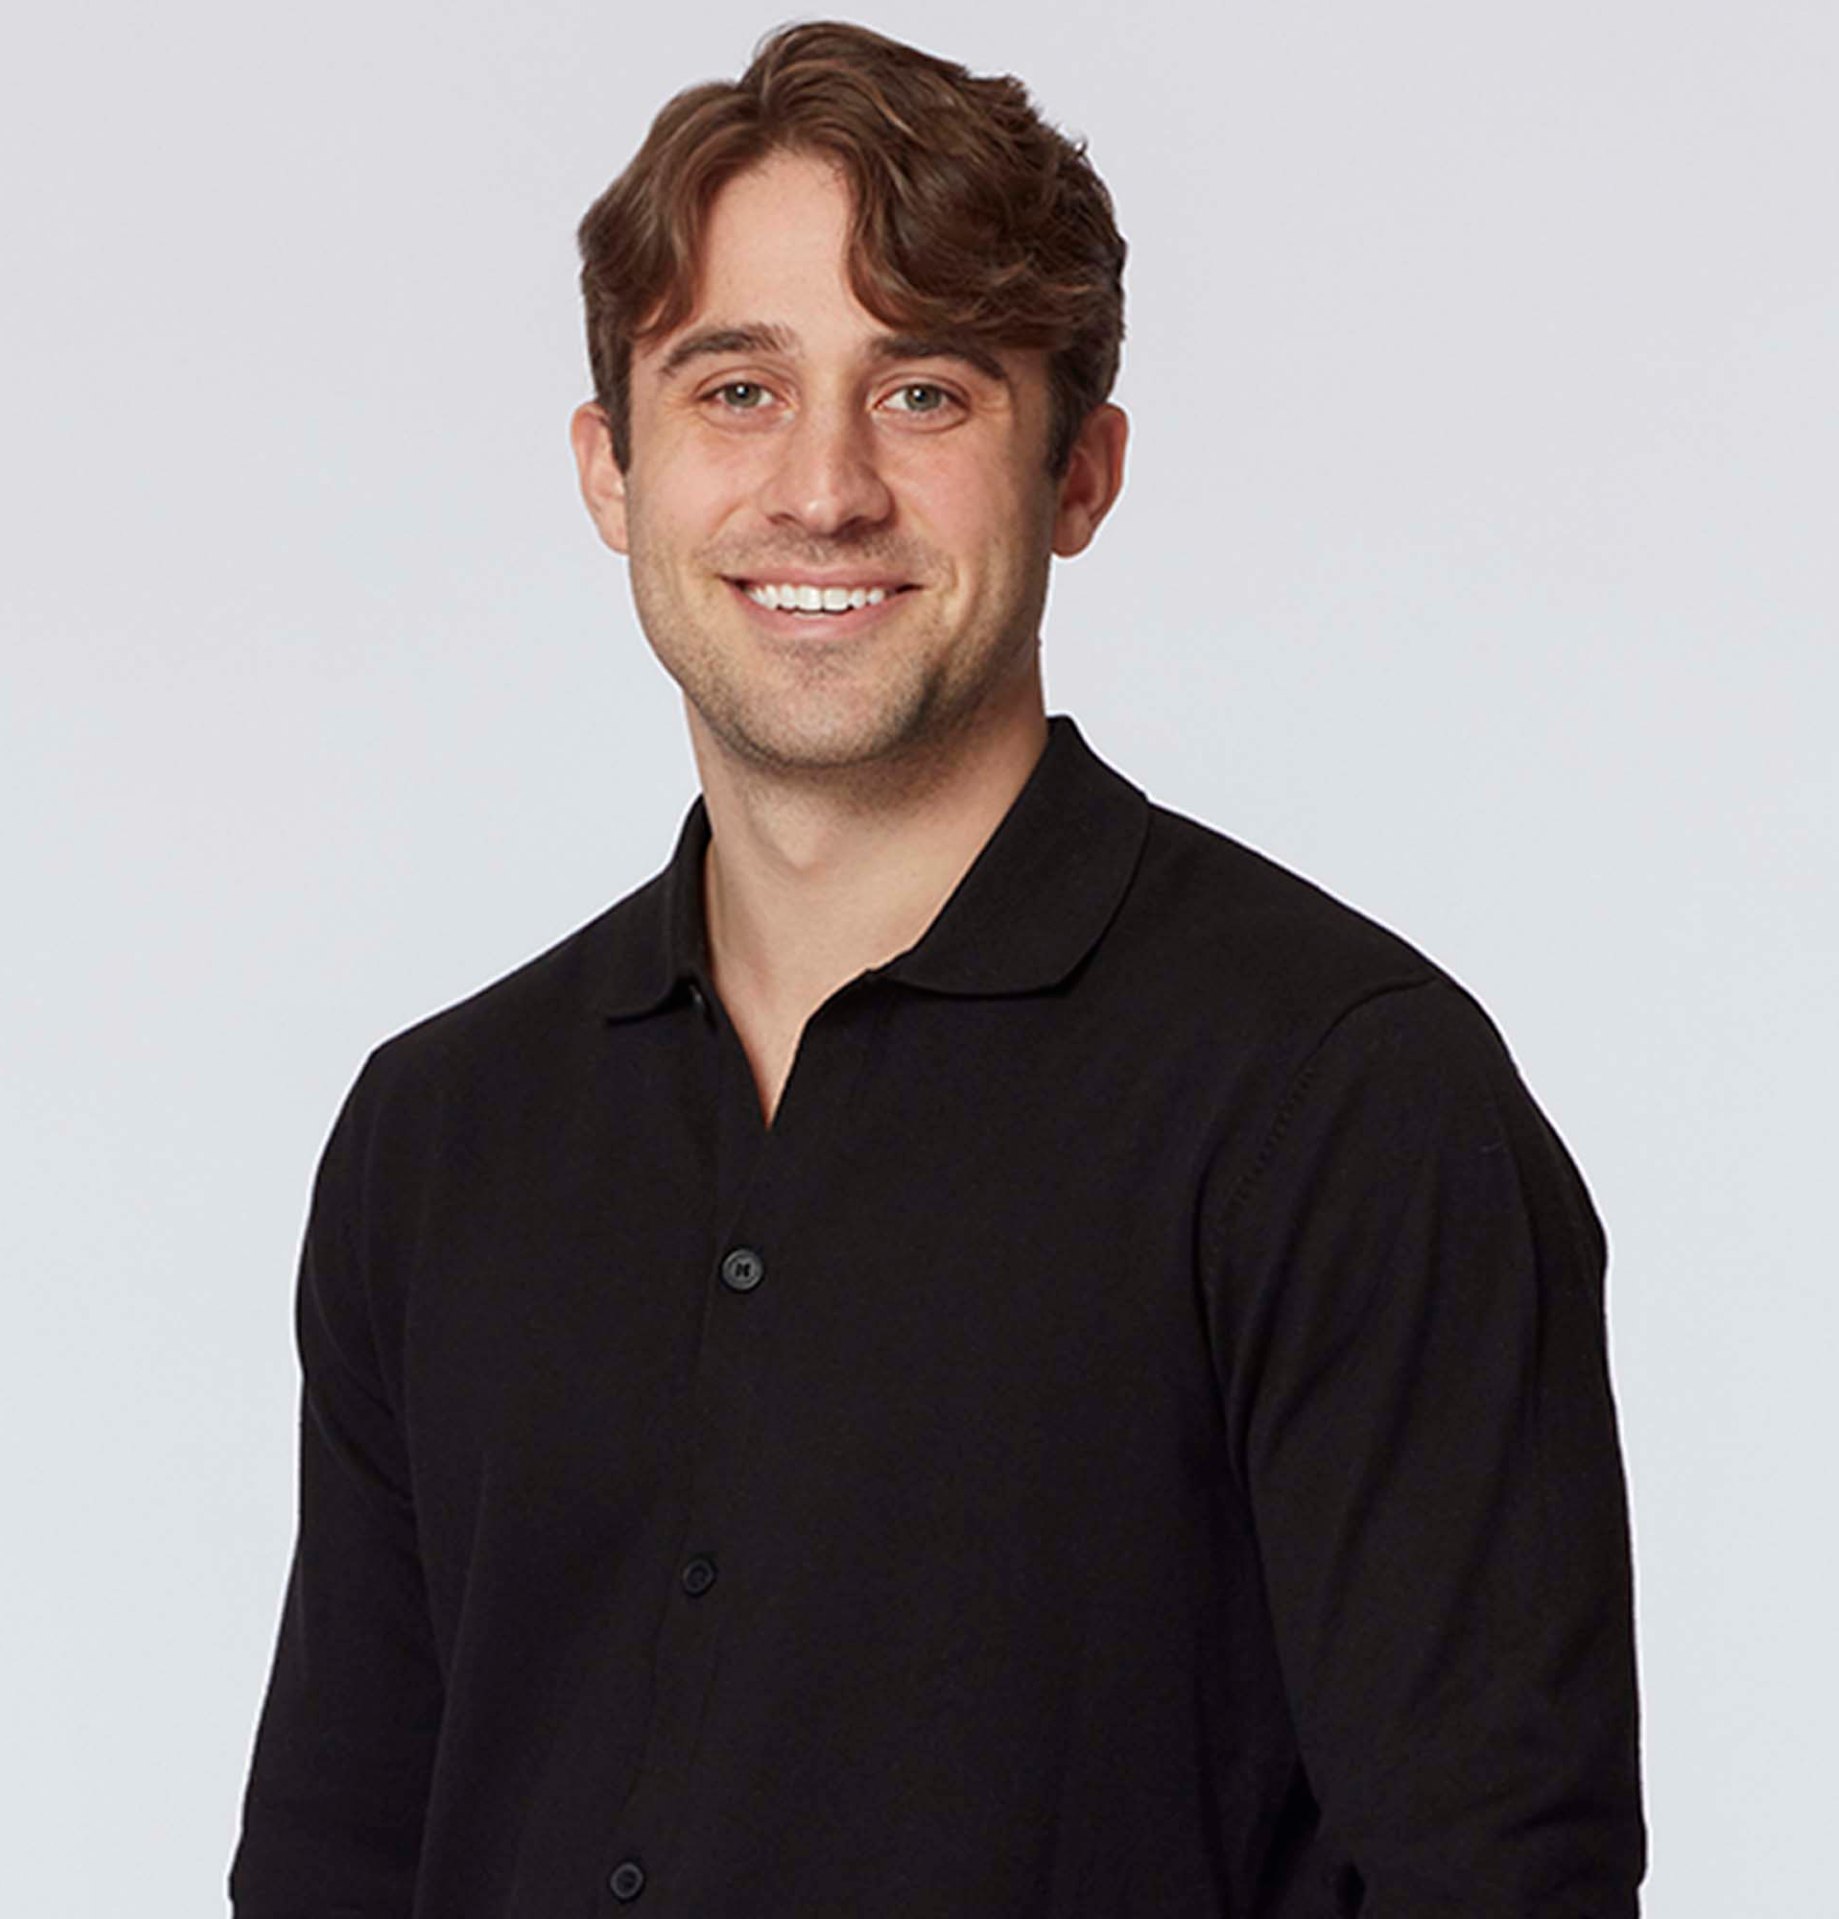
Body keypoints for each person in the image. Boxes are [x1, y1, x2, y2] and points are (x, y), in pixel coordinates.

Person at [230, 22, 1645, 1916]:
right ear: (611, 469)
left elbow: (1499, 1880)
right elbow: (333, 1863)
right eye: (737, 387)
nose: (822, 489)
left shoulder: (1344, 1102)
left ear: (1080, 475)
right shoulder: (438, 1133)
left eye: (923, 393)